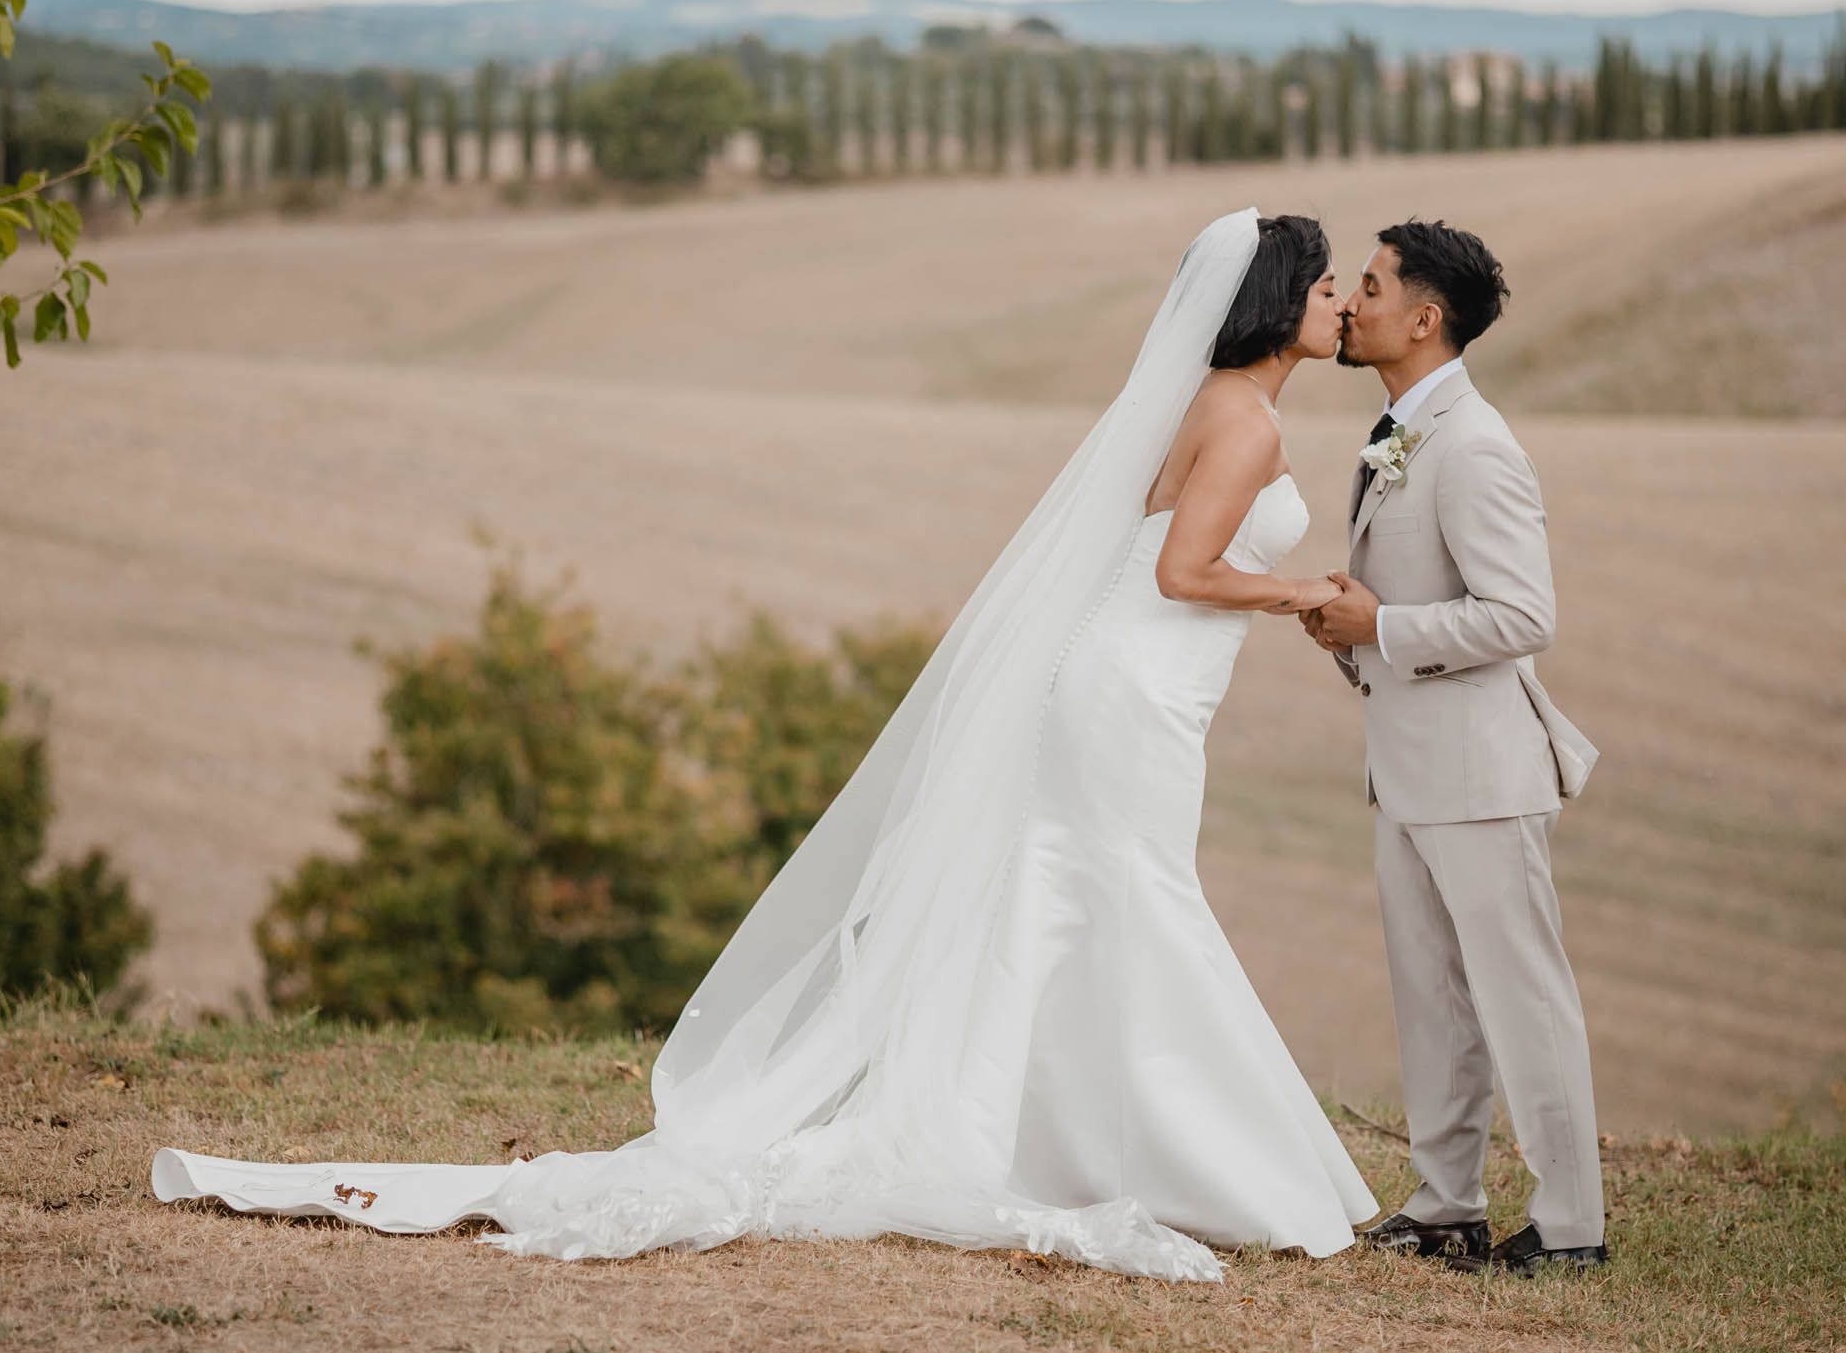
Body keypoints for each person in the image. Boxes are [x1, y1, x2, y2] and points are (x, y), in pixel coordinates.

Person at [153, 209, 1378, 1281]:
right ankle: (1229, 1172)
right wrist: (1306, 592)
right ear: (1278, 300)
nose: (1335, 307)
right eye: (1325, 287)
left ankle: (1050, 1133)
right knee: (1134, 894)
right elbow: (1182, 570)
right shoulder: (1249, 426)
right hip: (1134, 686)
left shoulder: (1204, 403)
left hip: (1117, 683)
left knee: (1076, 900)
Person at [1301, 219, 1608, 1274]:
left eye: (1374, 287)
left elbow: (1523, 615)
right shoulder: (1400, 430)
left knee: (1523, 1000)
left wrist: (1379, 627)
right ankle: (1446, 1204)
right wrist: (1355, 627)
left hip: (1480, 775)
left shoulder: (1474, 446)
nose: (1352, 304)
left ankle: (1572, 1227)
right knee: (1431, 995)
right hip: (1407, 770)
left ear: (1426, 319)